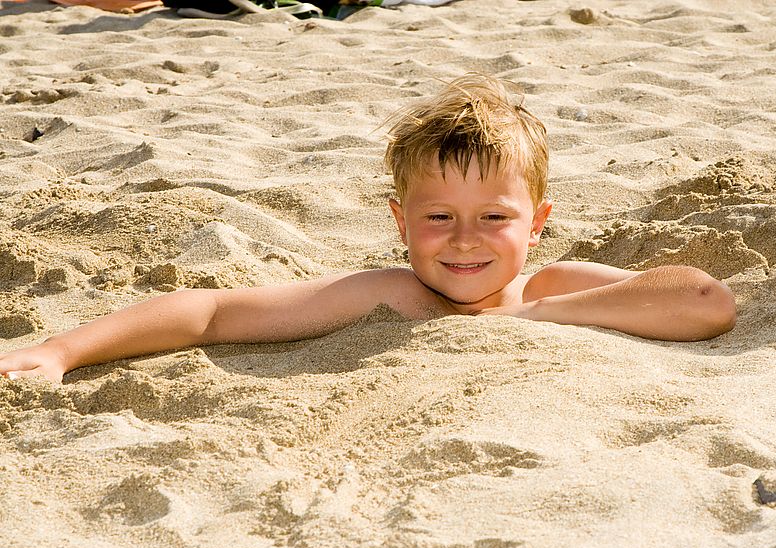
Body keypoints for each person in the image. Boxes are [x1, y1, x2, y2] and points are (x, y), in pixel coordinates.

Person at [0, 73, 736, 385]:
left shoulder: (549, 286)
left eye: (495, 218)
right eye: (438, 217)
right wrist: (63, 349)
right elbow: (211, 313)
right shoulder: (392, 295)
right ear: (401, 222)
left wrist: (530, 316)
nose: (465, 241)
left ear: (537, 223)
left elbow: (704, 302)